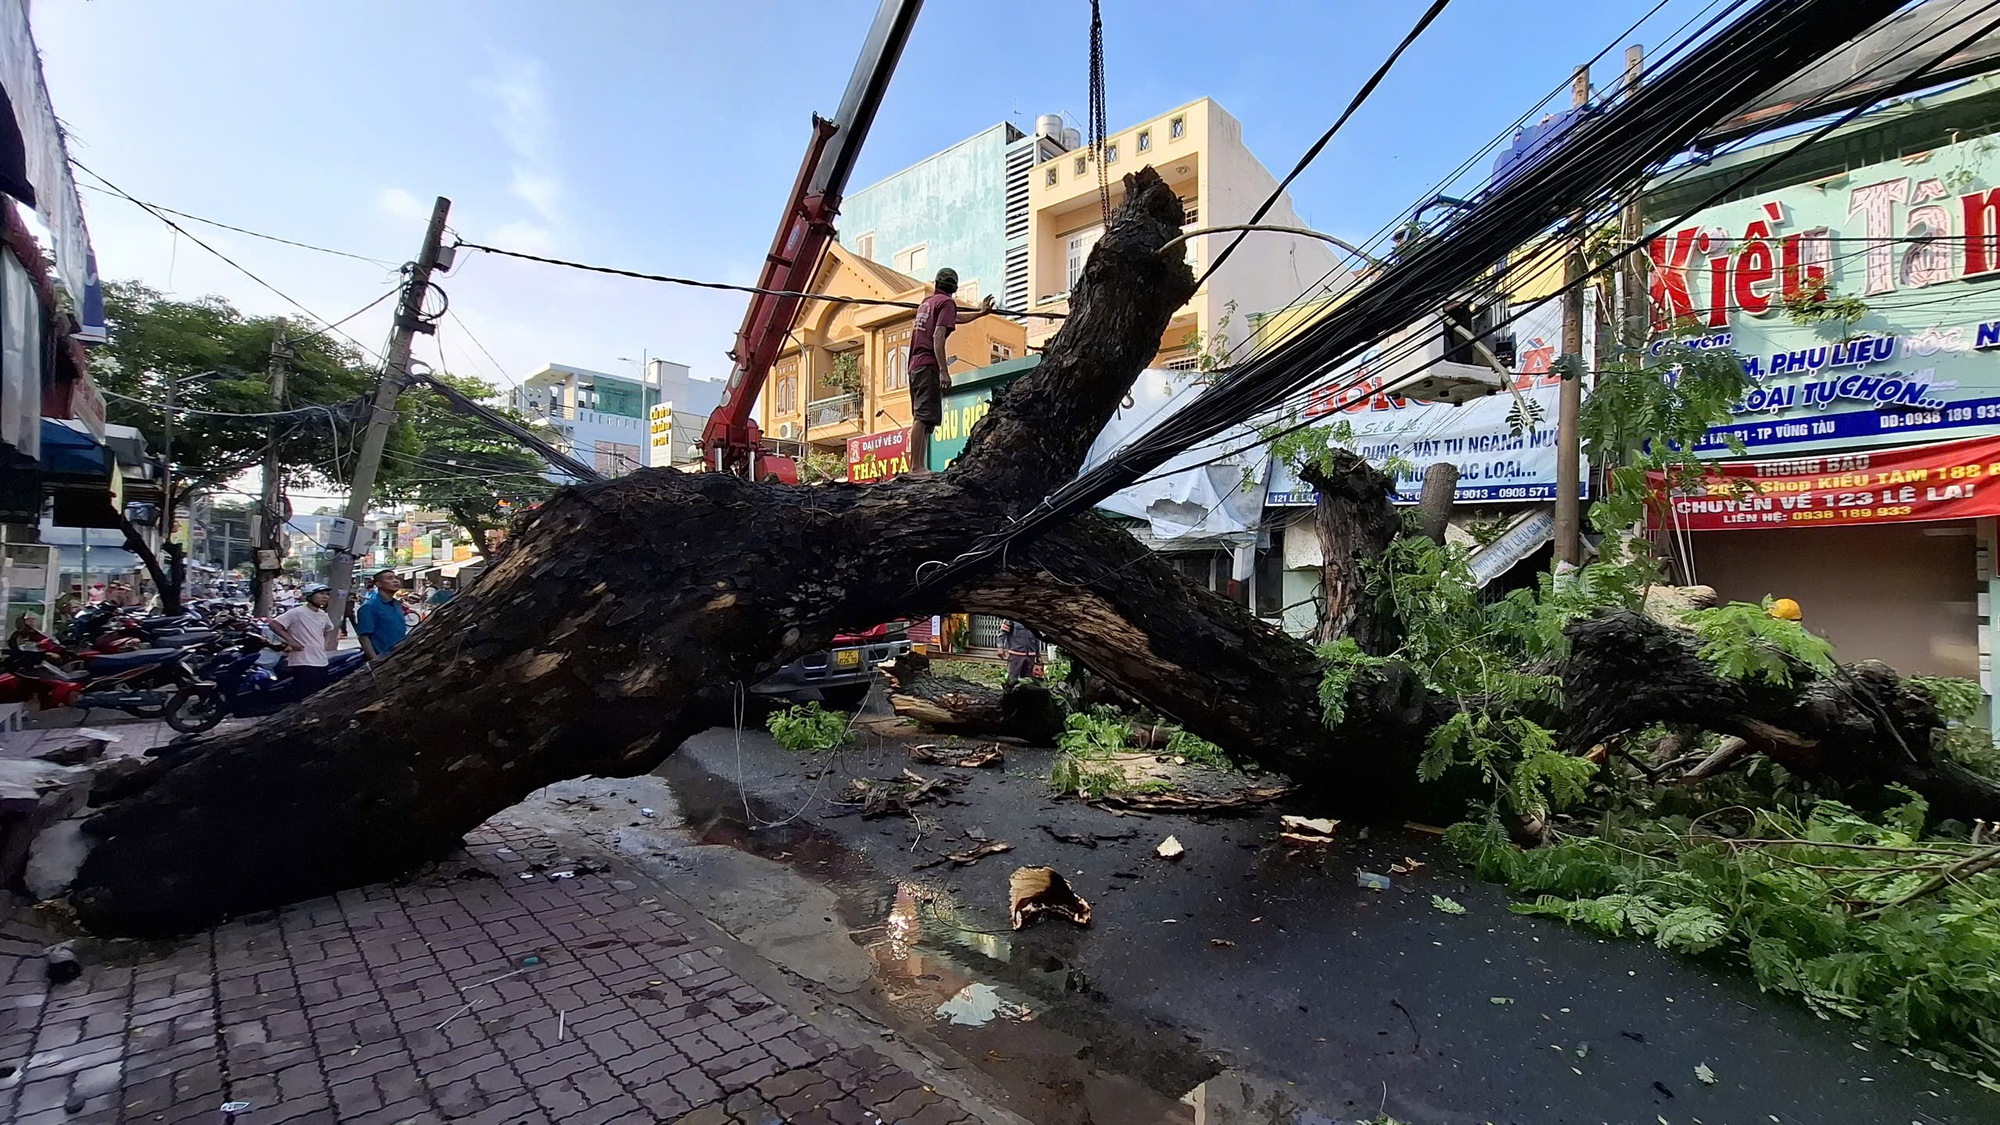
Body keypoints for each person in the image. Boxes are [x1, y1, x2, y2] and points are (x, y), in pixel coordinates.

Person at [906, 267, 995, 474]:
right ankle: (916, 466)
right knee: (923, 416)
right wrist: (943, 371)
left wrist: (980, 313)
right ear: (954, 288)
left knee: (921, 416)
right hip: (927, 364)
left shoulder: (927, 304)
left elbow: (954, 318)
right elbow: (938, 336)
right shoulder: (946, 303)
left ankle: (917, 465)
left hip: (914, 366)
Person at [270, 583, 338, 692]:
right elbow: (275, 624)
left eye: (327, 594)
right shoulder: (297, 612)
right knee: (305, 694)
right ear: (310, 596)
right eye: (321, 594)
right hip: (302, 661)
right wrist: (292, 642)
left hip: (321, 661)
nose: (325, 597)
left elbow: (329, 629)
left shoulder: (323, 614)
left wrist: (324, 645)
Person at [355, 569, 409, 662]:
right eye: (390, 578)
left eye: (396, 578)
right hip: (384, 659)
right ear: (379, 584)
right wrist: (375, 660)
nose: (395, 581)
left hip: (400, 657)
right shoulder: (370, 607)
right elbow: (364, 637)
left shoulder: (396, 604)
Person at [998, 618, 1042, 687]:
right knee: (1012, 680)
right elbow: (1002, 634)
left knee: (1028, 682)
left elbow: (1036, 639)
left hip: (1030, 656)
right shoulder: (1011, 619)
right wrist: (1000, 647)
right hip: (1016, 656)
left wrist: (1038, 655)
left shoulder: (1033, 619)